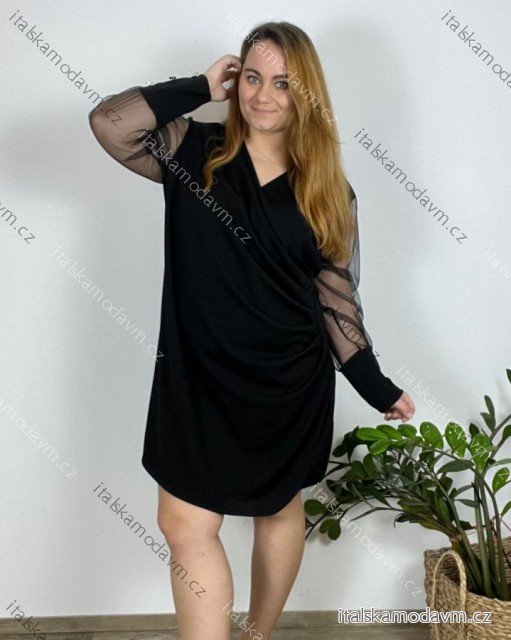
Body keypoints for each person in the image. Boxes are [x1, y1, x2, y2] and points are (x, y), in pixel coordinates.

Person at [88, 20, 415, 640]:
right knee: (185, 525)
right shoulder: (193, 149)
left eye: (283, 83)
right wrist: (198, 86)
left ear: (306, 92)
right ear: (235, 80)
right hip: (196, 379)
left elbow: (336, 303)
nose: (264, 95)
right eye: (253, 78)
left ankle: (257, 635)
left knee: (279, 508)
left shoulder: (326, 189)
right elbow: (110, 123)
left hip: (288, 383)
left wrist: (376, 385)